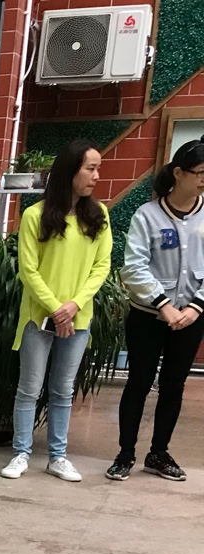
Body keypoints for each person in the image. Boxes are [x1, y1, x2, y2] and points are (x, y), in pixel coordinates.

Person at [2, 139, 112, 482]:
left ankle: (57, 457)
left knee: (63, 390)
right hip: (38, 318)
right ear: (70, 171)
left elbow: (101, 267)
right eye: (90, 168)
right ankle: (21, 453)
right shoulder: (35, 216)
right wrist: (55, 308)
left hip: (78, 318)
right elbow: (28, 270)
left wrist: (73, 306)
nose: (96, 176)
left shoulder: (99, 215)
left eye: (97, 169)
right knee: (29, 388)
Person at [110, 139, 204, 482]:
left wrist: (196, 306)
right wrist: (162, 304)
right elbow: (133, 268)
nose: (203, 180)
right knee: (138, 382)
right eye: (200, 173)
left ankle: (158, 453)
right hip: (147, 316)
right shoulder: (147, 215)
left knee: (173, 386)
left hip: (191, 316)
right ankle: (125, 454)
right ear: (178, 173)